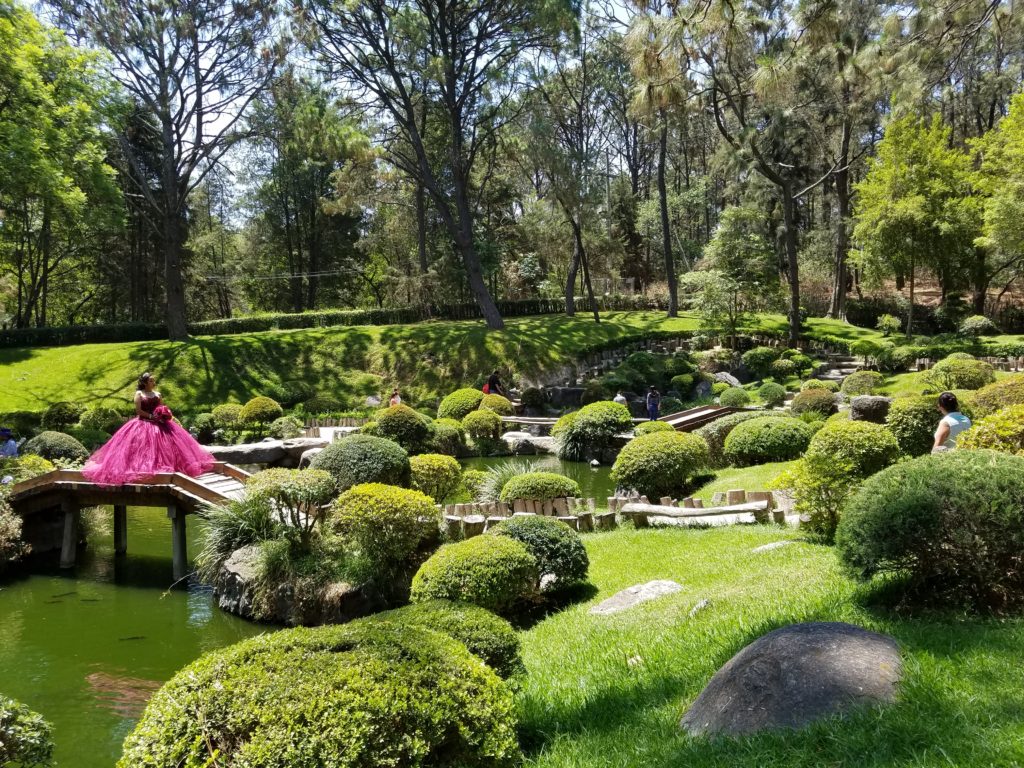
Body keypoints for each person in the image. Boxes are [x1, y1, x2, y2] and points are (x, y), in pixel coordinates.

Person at [82, 372, 215, 485]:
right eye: (151, 380)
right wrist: (152, 416)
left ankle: (172, 469)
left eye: (153, 380)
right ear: (145, 382)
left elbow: (161, 408)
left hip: (160, 424)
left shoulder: (157, 394)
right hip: (143, 423)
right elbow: (139, 411)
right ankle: (141, 471)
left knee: (167, 448)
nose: (153, 382)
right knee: (142, 449)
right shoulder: (139, 394)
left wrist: (164, 414)